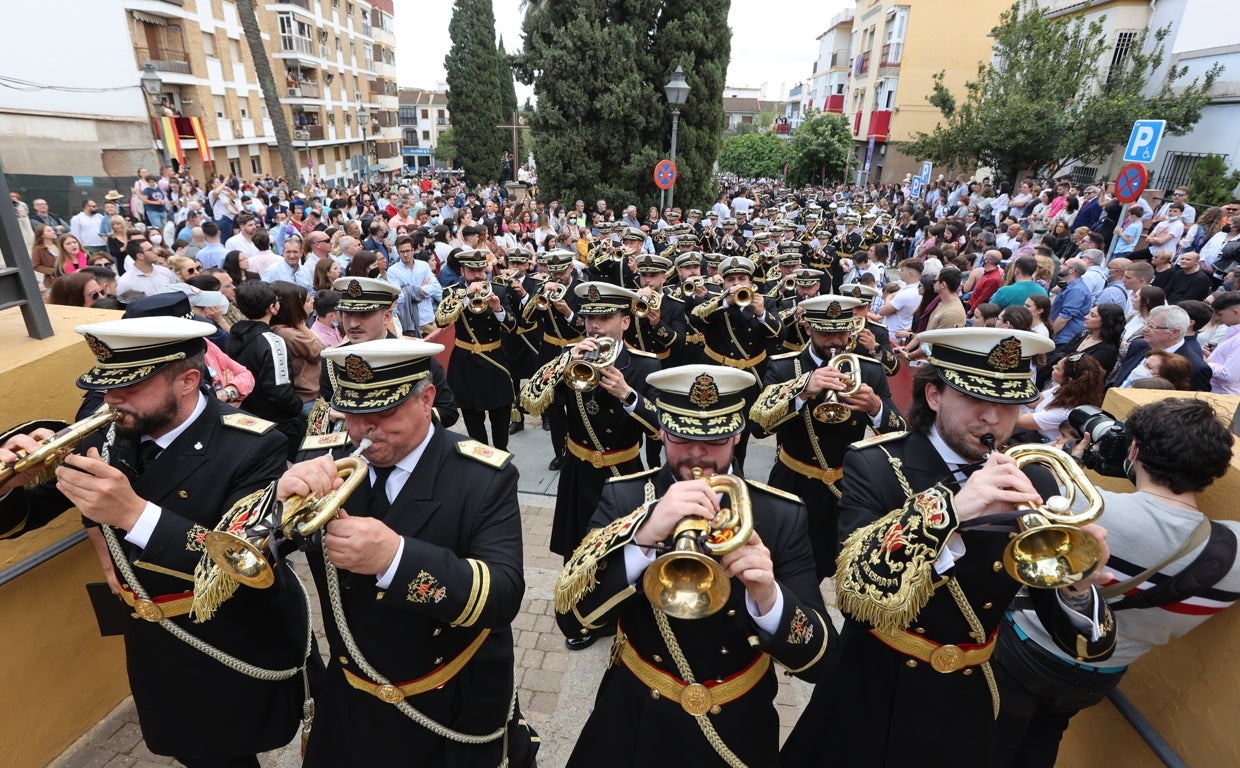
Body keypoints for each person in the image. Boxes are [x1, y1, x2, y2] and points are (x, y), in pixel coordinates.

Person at [781, 327, 1115, 767]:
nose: (993, 420)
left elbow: (1081, 643)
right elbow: (854, 596)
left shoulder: (1036, 478)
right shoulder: (876, 463)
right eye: (977, 401)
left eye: (1009, 406)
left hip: (966, 696)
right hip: (869, 685)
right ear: (935, 395)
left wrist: (1076, 588)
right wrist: (953, 513)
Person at [0, 317, 311, 766]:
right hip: (154, 638)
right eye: (106, 387)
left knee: (230, 747)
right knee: (189, 747)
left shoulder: (253, 445)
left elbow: (246, 558)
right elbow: (25, 516)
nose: (111, 401)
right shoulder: (103, 435)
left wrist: (133, 514)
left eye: (129, 388)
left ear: (187, 381)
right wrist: (11, 486)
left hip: (229, 635)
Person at [554, 363, 837, 767]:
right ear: (663, 432)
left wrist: (770, 598)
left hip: (737, 719)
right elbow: (573, 619)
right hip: (637, 709)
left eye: (717, 439)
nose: (698, 454)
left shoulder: (779, 514)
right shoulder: (625, 498)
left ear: (738, 434)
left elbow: (821, 661)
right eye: (682, 437)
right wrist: (642, 537)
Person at [277, 339, 538, 768]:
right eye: (353, 415)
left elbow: (503, 595)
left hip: (448, 695)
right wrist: (276, 504)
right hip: (354, 690)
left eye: (383, 413)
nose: (364, 430)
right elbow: (250, 558)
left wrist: (395, 559)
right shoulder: (322, 457)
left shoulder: (483, 475)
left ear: (426, 399)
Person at [993, 398, 1237, 768]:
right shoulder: (1232, 552)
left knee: (988, 742)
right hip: (1100, 676)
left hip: (1027, 651)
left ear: (1134, 448)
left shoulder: (1081, 508)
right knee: (1045, 736)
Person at [521, 281, 661, 648]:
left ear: (625, 323)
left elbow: (663, 429)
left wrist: (628, 395)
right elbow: (530, 401)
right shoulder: (571, 358)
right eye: (589, 317)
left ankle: (622, 612)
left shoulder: (644, 365)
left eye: (605, 317)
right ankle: (582, 617)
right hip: (580, 469)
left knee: (622, 546)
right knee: (579, 545)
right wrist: (564, 361)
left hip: (624, 470)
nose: (594, 325)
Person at [751, 295, 906, 579]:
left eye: (841, 333)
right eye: (825, 333)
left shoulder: (869, 370)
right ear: (808, 329)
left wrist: (875, 408)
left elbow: (900, 433)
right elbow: (759, 427)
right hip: (794, 483)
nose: (834, 341)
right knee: (786, 570)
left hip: (849, 488)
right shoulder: (784, 367)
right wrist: (803, 389)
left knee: (845, 567)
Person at [435, 249, 518, 449]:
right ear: (462, 271)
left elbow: (513, 326)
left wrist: (498, 309)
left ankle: (501, 453)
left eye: (481, 269)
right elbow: (440, 321)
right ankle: (481, 457)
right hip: (466, 363)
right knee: (473, 420)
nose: (478, 275)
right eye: (472, 271)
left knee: (501, 415)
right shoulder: (452, 292)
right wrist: (465, 296)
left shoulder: (498, 289)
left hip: (495, 360)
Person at [228, 281, 305, 459]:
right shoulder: (272, 341)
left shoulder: (235, 333)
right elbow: (280, 391)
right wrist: (297, 408)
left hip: (249, 418)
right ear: (272, 307)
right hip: (278, 424)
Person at [1112, 304, 1211, 390]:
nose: (1145, 329)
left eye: (1152, 326)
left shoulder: (1195, 367)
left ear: (1174, 332)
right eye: (1146, 324)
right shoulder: (1139, 345)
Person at [1015, 353, 1106, 442]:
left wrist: (1010, 388)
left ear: (1069, 380)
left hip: (1042, 443)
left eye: (1058, 368)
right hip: (1031, 431)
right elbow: (1033, 401)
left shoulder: (1066, 412)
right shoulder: (1065, 388)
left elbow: (1019, 420)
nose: (1053, 367)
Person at [1205, 291, 1240, 394]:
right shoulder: (1233, 330)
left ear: (1236, 312)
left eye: (1220, 314)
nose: (1216, 318)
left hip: (1225, 399)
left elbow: (1228, 376)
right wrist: (1212, 356)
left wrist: (1206, 363)